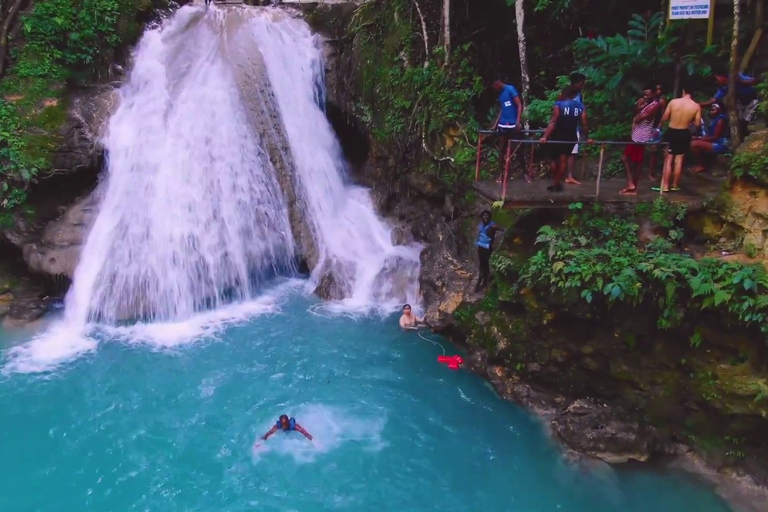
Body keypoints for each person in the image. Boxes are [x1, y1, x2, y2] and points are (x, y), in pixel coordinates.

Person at [540, 85, 593, 193]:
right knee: (564, 160)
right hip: (571, 136)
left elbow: (553, 122)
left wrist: (545, 136)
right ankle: (556, 183)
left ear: (563, 94)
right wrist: (587, 138)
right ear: (574, 95)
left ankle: (555, 183)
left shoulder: (558, 105)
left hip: (557, 135)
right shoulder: (580, 107)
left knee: (554, 159)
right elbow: (584, 123)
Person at [654, 84, 702, 193]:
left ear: (683, 91)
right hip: (684, 133)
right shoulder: (696, 106)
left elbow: (665, 118)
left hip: (672, 131)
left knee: (668, 159)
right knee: (679, 160)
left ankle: (665, 185)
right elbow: (697, 123)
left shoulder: (673, 102)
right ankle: (675, 185)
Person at [620, 86, 659, 195]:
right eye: (644, 95)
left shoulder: (653, 106)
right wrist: (639, 107)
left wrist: (640, 108)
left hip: (640, 137)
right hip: (637, 136)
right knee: (636, 161)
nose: (645, 97)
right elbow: (636, 115)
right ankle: (632, 187)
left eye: (648, 95)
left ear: (654, 94)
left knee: (626, 158)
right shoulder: (647, 105)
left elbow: (637, 119)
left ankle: (631, 184)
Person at [699, 71, 759, 140]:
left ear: (722, 76)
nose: (716, 82)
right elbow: (714, 100)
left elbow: (753, 81)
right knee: (739, 121)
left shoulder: (736, 76)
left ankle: (746, 137)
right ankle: (740, 138)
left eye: (716, 79)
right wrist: (699, 104)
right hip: (740, 103)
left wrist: (739, 80)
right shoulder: (723, 88)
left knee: (745, 121)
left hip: (751, 101)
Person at [490, 80, 524, 182]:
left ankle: (525, 172)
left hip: (513, 123)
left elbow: (519, 105)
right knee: (501, 149)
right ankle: (501, 174)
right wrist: (495, 124)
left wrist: (518, 121)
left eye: (495, 87)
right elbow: (502, 109)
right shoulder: (499, 94)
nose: (494, 90)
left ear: (498, 84)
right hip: (503, 124)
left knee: (517, 149)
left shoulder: (510, 89)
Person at [690, 102, 730, 174]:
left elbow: (715, 137)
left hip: (720, 144)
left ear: (719, 111)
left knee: (694, 144)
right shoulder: (715, 119)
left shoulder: (721, 120)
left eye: (713, 110)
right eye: (711, 110)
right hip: (714, 141)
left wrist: (700, 139)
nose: (711, 112)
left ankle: (701, 165)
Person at [565, 72, 587, 185]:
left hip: (575, 127)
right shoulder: (565, 94)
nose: (582, 86)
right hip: (565, 127)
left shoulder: (579, 95)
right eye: (581, 84)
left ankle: (569, 176)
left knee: (572, 152)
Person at [475, 210, 505, 291]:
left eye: (487, 215)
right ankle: (484, 282)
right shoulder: (481, 225)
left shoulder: (492, 226)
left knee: (484, 266)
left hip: (487, 248)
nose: (485, 217)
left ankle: (478, 285)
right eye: (484, 215)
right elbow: (479, 235)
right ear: (481, 217)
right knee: (483, 264)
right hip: (480, 247)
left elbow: (502, 229)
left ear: (489, 217)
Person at [648, 83, 668, 180]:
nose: (658, 91)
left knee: (654, 150)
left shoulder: (662, 100)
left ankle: (651, 173)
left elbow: (663, 115)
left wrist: (659, 128)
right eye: (657, 89)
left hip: (655, 128)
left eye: (660, 89)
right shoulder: (649, 99)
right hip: (646, 127)